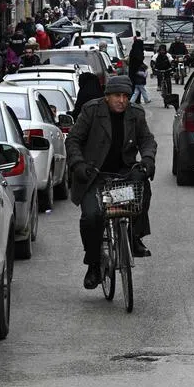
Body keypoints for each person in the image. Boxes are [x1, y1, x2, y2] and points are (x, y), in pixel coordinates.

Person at [66, 76, 157, 289]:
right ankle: (93, 264)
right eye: (117, 96)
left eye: (125, 96)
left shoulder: (136, 114)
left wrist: (147, 160)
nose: (122, 100)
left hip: (123, 174)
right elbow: (73, 140)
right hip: (93, 175)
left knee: (141, 191)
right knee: (92, 216)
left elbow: (147, 140)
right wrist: (79, 164)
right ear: (107, 96)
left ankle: (134, 236)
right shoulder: (91, 111)